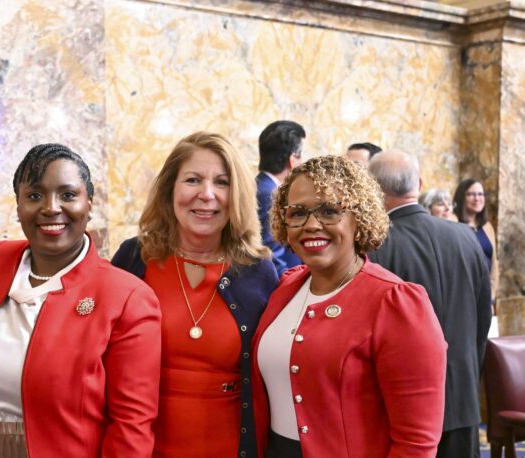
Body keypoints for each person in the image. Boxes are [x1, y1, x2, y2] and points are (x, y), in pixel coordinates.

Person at [0, 144, 161, 457]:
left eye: (68, 195)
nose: (51, 208)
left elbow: (132, 426)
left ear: (89, 204)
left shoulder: (127, 297)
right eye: (34, 195)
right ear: (18, 206)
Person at [252, 155, 446, 457]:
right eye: (298, 213)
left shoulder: (395, 303)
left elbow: (416, 443)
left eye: (329, 211)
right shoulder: (285, 288)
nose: (311, 225)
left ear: (359, 217)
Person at [111, 131, 278, 458]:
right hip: (140, 445)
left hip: (230, 445)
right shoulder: (134, 258)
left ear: (238, 195)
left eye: (222, 182)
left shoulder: (258, 271)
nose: (207, 194)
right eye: (192, 180)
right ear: (169, 189)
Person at [368, 151, 492, 458]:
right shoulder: (466, 237)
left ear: (372, 189)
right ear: (420, 184)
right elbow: (482, 318)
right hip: (462, 396)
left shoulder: (373, 245)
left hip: (403, 407)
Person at [256, 120, 306, 275]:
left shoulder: (260, 186)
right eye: (301, 158)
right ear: (292, 160)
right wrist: (294, 281)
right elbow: (271, 254)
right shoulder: (271, 195)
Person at [454, 178, 499, 302]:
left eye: (480, 194)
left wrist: (491, 297)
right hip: (461, 297)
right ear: (461, 196)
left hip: (485, 297)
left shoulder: (487, 226)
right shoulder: (452, 224)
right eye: (471, 194)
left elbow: (494, 264)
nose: (477, 198)